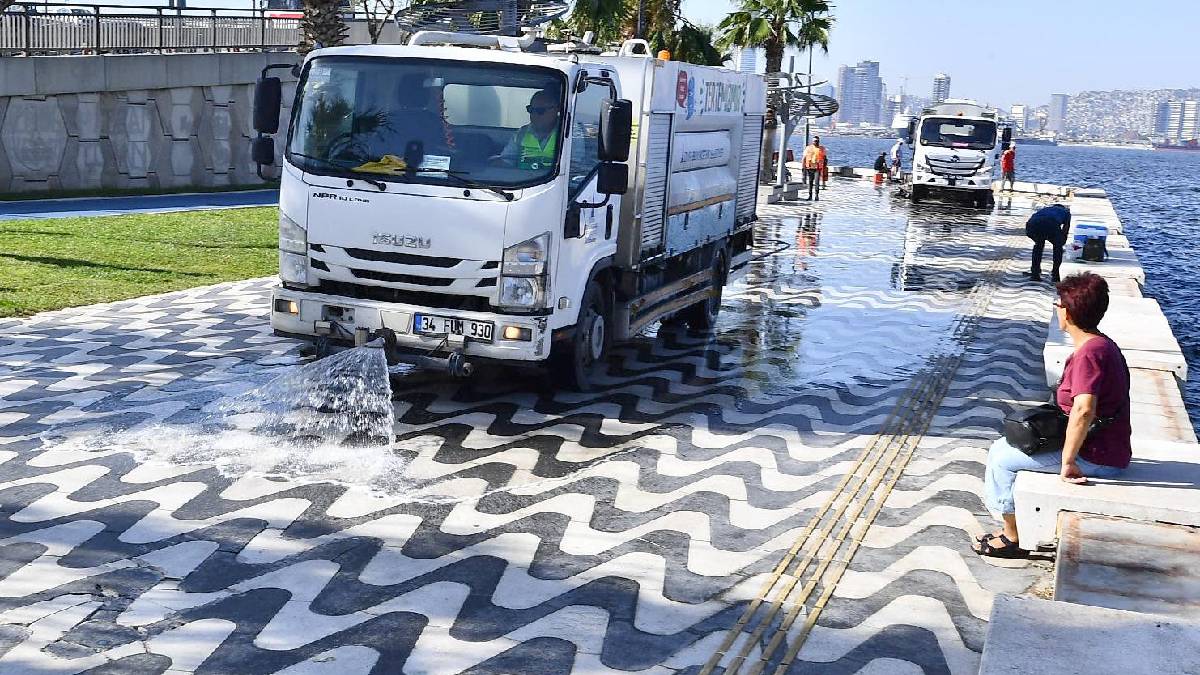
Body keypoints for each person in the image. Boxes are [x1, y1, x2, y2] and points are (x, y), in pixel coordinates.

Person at [975, 272, 1130, 558]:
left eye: (1058, 304)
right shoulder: (1101, 343)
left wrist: (1068, 462)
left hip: (1097, 455)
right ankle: (1013, 526)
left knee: (1001, 461)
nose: (1056, 309)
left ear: (1067, 313)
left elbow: (1084, 410)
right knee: (1002, 446)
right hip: (1105, 445)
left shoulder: (1089, 354)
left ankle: (1013, 537)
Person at [495, 88, 561, 170]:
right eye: (531, 110)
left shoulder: (566, 133)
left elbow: (573, 167)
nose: (534, 115)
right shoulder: (521, 133)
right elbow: (507, 160)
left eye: (540, 111)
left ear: (556, 109)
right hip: (522, 177)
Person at [1026, 203, 1071, 282]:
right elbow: (1065, 230)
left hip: (1032, 225)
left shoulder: (1045, 209)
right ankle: (1056, 275)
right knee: (1058, 248)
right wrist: (1061, 242)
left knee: (1038, 246)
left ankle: (1035, 273)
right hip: (1051, 224)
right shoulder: (1066, 212)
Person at [802, 136, 827, 201]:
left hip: (818, 168)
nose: (816, 142)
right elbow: (804, 158)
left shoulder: (822, 148)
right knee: (810, 182)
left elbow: (825, 158)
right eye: (815, 141)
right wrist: (803, 167)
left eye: (817, 141)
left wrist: (825, 167)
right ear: (812, 141)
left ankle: (816, 196)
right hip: (810, 167)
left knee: (817, 182)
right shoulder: (808, 148)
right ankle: (810, 196)